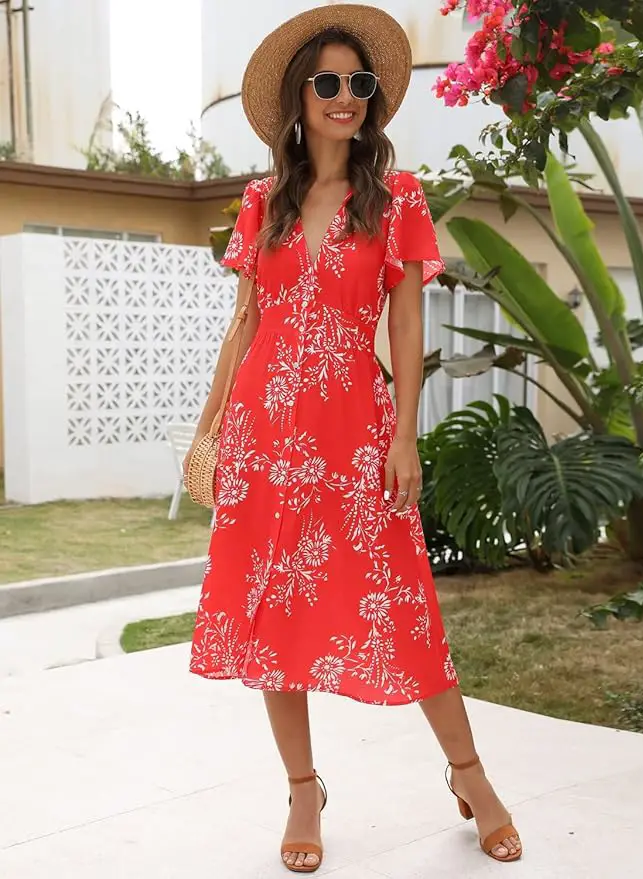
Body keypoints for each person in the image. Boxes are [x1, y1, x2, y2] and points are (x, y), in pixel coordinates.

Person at [185, 4, 522, 873]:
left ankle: (472, 777)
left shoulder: (395, 196)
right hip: (264, 432)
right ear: (299, 99)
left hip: (353, 430)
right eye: (327, 82)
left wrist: (406, 433)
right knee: (271, 614)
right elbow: (245, 321)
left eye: (358, 84)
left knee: (402, 604)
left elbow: (407, 321)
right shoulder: (263, 201)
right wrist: (210, 428)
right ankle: (303, 788)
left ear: (373, 99)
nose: (345, 97)